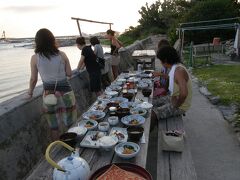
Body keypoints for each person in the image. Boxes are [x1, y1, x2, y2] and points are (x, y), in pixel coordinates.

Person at [28, 28, 77, 141]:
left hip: (49, 95)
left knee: (54, 127)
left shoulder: (35, 58)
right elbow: (69, 74)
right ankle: (73, 148)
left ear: (37, 41)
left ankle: (57, 151)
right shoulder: (62, 55)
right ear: (52, 40)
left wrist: (30, 92)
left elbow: (33, 79)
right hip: (66, 93)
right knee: (71, 124)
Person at [151, 46, 192, 121]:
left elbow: (184, 94)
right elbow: (173, 78)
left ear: (165, 60)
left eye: (160, 60)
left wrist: (176, 105)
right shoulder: (176, 66)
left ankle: (149, 130)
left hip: (180, 105)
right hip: (173, 98)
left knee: (152, 114)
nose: (160, 62)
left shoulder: (179, 71)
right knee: (150, 102)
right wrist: (160, 74)